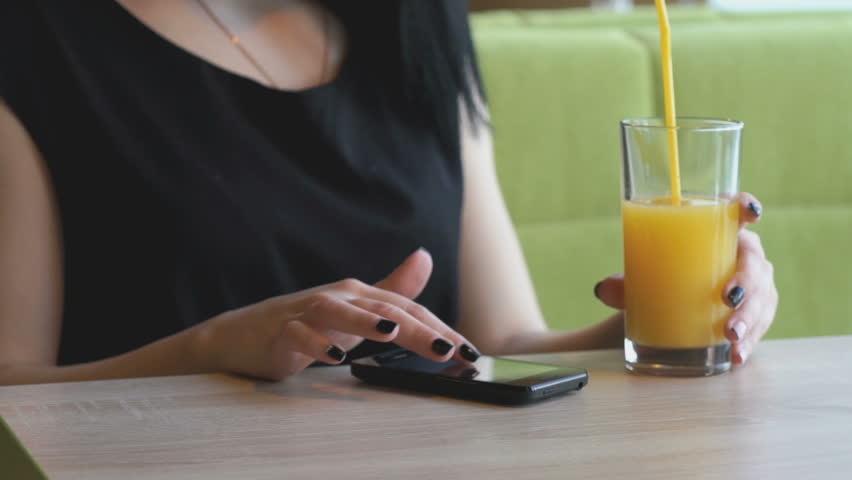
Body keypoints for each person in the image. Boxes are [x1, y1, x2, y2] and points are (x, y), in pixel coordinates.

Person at [0, 0, 777, 386]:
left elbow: (498, 342)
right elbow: (12, 383)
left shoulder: (416, 22)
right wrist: (212, 349)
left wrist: (672, 314)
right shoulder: (33, 38)